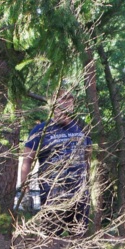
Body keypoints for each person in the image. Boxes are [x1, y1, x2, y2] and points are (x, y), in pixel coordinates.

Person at [16, 91, 92, 233]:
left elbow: (87, 158)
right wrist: (25, 191)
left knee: (79, 238)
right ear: (52, 105)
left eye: (67, 102)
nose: (63, 107)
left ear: (72, 106)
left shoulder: (82, 128)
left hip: (79, 193)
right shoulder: (40, 130)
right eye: (59, 103)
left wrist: (88, 185)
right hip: (52, 194)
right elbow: (27, 162)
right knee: (50, 238)